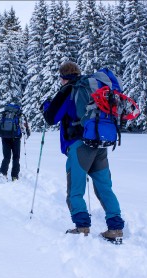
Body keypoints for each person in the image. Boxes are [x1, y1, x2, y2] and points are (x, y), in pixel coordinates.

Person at [41, 61, 124, 242]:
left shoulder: (69, 90)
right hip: (100, 144)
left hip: (79, 146)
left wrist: (46, 106)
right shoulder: (93, 89)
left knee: (75, 190)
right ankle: (116, 227)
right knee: (104, 187)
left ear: (63, 77)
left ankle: (82, 226)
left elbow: (51, 118)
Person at [0, 103, 31, 182]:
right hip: (16, 138)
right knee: (16, 157)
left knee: (6, 157)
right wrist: (27, 134)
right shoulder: (19, 114)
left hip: (4, 137)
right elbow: (25, 128)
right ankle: (14, 176)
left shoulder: (3, 114)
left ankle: (3, 173)